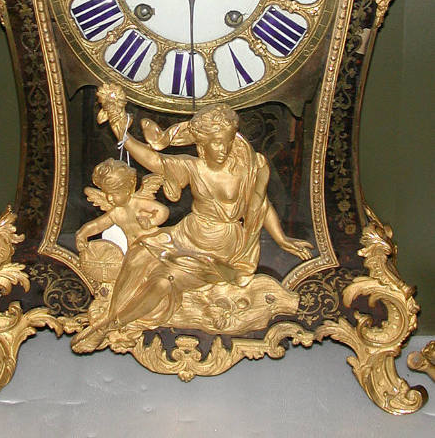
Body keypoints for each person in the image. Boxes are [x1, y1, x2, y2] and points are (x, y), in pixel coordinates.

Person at [72, 83, 312, 353]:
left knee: (164, 282)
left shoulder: (249, 167)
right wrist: (121, 132)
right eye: (215, 143)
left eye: (227, 141)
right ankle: (113, 311)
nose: (223, 149)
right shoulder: (193, 167)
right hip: (186, 234)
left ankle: (111, 325)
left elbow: (260, 205)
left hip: (219, 249)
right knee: (139, 253)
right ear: (201, 144)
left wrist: (282, 239)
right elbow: (154, 160)